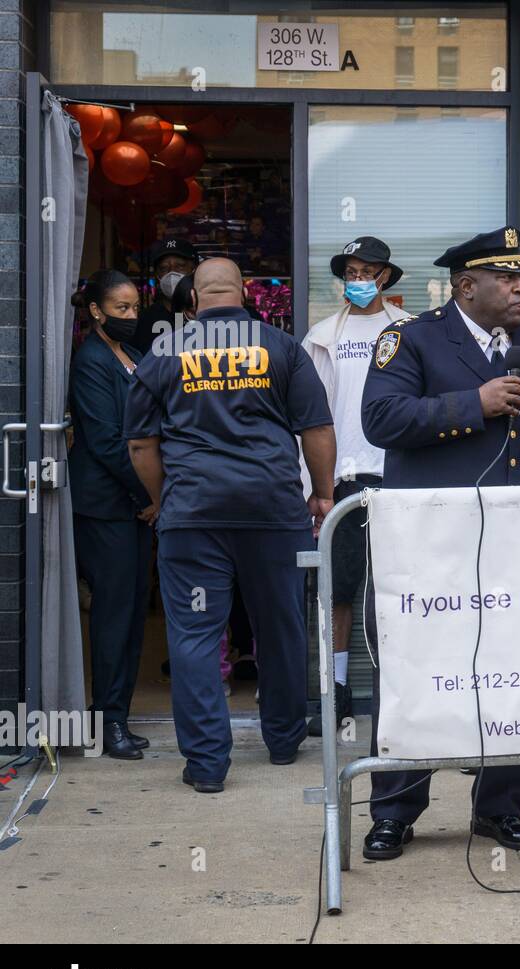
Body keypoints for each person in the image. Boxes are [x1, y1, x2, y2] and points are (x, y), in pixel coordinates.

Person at [359, 226, 520, 859]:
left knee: (514, 668)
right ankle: (395, 809)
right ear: (467, 285)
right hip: (429, 543)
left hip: (517, 542)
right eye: (506, 279)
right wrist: (474, 402)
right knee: (416, 668)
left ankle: (499, 807)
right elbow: (380, 420)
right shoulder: (410, 338)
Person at [124, 258, 337, 793]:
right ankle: (285, 741)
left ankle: (206, 766)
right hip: (272, 511)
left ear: (193, 301)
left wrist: (163, 499)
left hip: (194, 515)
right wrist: (324, 493)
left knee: (195, 635)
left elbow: (140, 445)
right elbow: (315, 426)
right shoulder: (282, 346)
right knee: (280, 626)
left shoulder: (164, 351)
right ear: (244, 294)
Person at [300, 237, 410, 737]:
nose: (359, 279)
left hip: (397, 478)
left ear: (385, 277)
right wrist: (312, 486)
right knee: (338, 593)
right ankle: (336, 697)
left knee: (398, 592)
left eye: (369, 271)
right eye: (351, 270)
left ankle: (402, 698)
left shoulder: (410, 332)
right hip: (341, 480)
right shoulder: (322, 336)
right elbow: (308, 416)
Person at [68, 270, 157, 761]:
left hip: (134, 504)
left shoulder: (134, 357)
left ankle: (119, 713)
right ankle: (108, 722)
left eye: (134, 308)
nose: (130, 316)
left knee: (130, 615)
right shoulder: (91, 362)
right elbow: (106, 441)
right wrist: (150, 492)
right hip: (106, 506)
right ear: (97, 311)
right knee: (112, 615)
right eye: (120, 309)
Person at [132, 238, 198, 353]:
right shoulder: (143, 321)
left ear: (193, 269)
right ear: (157, 275)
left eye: (180, 266)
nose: (172, 272)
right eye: (164, 268)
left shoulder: (205, 316)